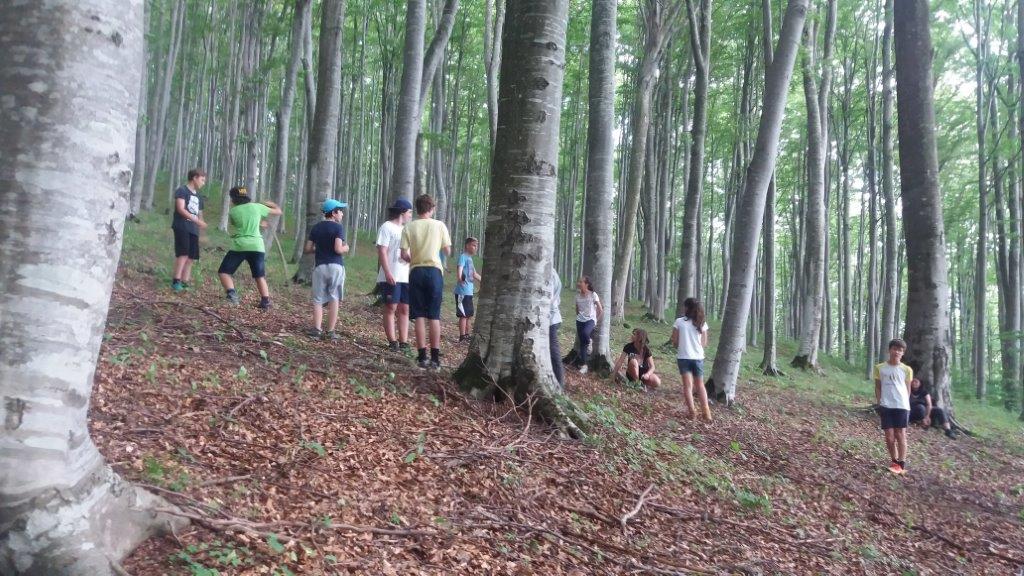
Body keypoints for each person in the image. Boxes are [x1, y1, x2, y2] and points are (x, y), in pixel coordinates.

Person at [400, 194, 452, 370]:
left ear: (417, 209)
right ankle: (435, 359)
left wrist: (414, 259)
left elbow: (403, 254)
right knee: (434, 316)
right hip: (435, 272)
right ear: (432, 208)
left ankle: (422, 357)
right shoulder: (439, 225)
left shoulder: (409, 227)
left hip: (416, 271)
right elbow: (447, 250)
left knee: (419, 316)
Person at [216, 186, 282, 309]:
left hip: (240, 246)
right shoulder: (257, 207)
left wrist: (257, 222)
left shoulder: (233, 211)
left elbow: (237, 224)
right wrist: (271, 204)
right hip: (257, 246)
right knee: (259, 276)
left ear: (233, 199)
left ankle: (232, 295)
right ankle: (265, 302)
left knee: (224, 272)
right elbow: (278, 211)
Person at [304, 199, 349, 341]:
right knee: (334, 299)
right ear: (334, 213)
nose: (342, 214)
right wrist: (346, 248)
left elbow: (308, 249)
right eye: (340, 211)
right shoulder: (338, 228)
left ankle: (316, 330)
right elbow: (338, 249)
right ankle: (330, 332)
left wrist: (319, 249)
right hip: (335, 266)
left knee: (318, 299)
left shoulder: (316, 228)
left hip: (320, 267)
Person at [376, 198, 413, 351]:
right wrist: (387, 272)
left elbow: (407, 253)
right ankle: (392, 341)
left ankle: (404, 342)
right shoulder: (387, 227)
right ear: (402, 212)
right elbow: (382, 251)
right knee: (391, 307)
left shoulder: (406, 230)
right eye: (409, 212)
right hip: (391, 275)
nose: (411, 215)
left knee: (405, 309)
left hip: (405, 276)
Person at [874, 338, 913, 475]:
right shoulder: (880, 368)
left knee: (900, 434)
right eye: (895, 349)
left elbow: (908, 389)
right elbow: (878, 387)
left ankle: (901, 464)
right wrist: (879, 402)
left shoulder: (906, 369)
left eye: (900, 350)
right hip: (886, 405)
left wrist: (905, 403)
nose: (897, 352)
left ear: (903, 353)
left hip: (901, 405)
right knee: (889, 437)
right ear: (889, 350)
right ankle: (894, 461)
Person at [671, 298, 712, 422]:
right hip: (698, 358)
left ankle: (692, 412)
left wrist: (682, 344)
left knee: (687, 386)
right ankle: (706, 413)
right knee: (700, 385)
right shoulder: (701, 323)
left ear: (687, 308)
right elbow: (704, 343)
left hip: (684, 357)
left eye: (684, 306)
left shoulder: (679, 322)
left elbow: (674, 341)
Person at [171, 168, 208, 292]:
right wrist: (196, 220)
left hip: (193, 229)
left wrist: (201, 225)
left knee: (191, 256)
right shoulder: (182, 190)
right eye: (202, 180)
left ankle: (185, 281)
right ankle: (176, 281)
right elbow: (181, 209)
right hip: (182, 226)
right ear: (194, 178)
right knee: (183, 253)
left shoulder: (199, 197)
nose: (203, 183)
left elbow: (200, 214)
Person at [574, 276, 603, 374]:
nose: (579, 283)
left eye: (581, 282)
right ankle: (584, 365)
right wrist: (579, 317)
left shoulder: (593, 295)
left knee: (585, 334)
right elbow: (577, 309)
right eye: (579, 282)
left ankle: (589, 341)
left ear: (587, 284)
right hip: (579, 321)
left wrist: (595, 320)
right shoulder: (577, 296)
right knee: (582, 344)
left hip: (590, 320)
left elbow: (600, 310)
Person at [455, 237, 481, 342]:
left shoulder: (470, 259)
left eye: (476, 246)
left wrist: (483, 281)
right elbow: (460, 268)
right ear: (467, 246)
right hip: (462, 291)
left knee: (469, 314)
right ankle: (462, 336)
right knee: (463, 315)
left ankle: (467, 334)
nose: (476, 248)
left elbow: (474, 274)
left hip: (469, 291)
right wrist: (459, 277)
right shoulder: (463, 257)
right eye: (474, 245)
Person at [549, 267, 564, 390]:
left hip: (551, 320)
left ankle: (560, 383)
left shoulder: (551, 274)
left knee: (554, 352)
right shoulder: (550, 272)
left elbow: (550, 299)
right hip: (548, 318)